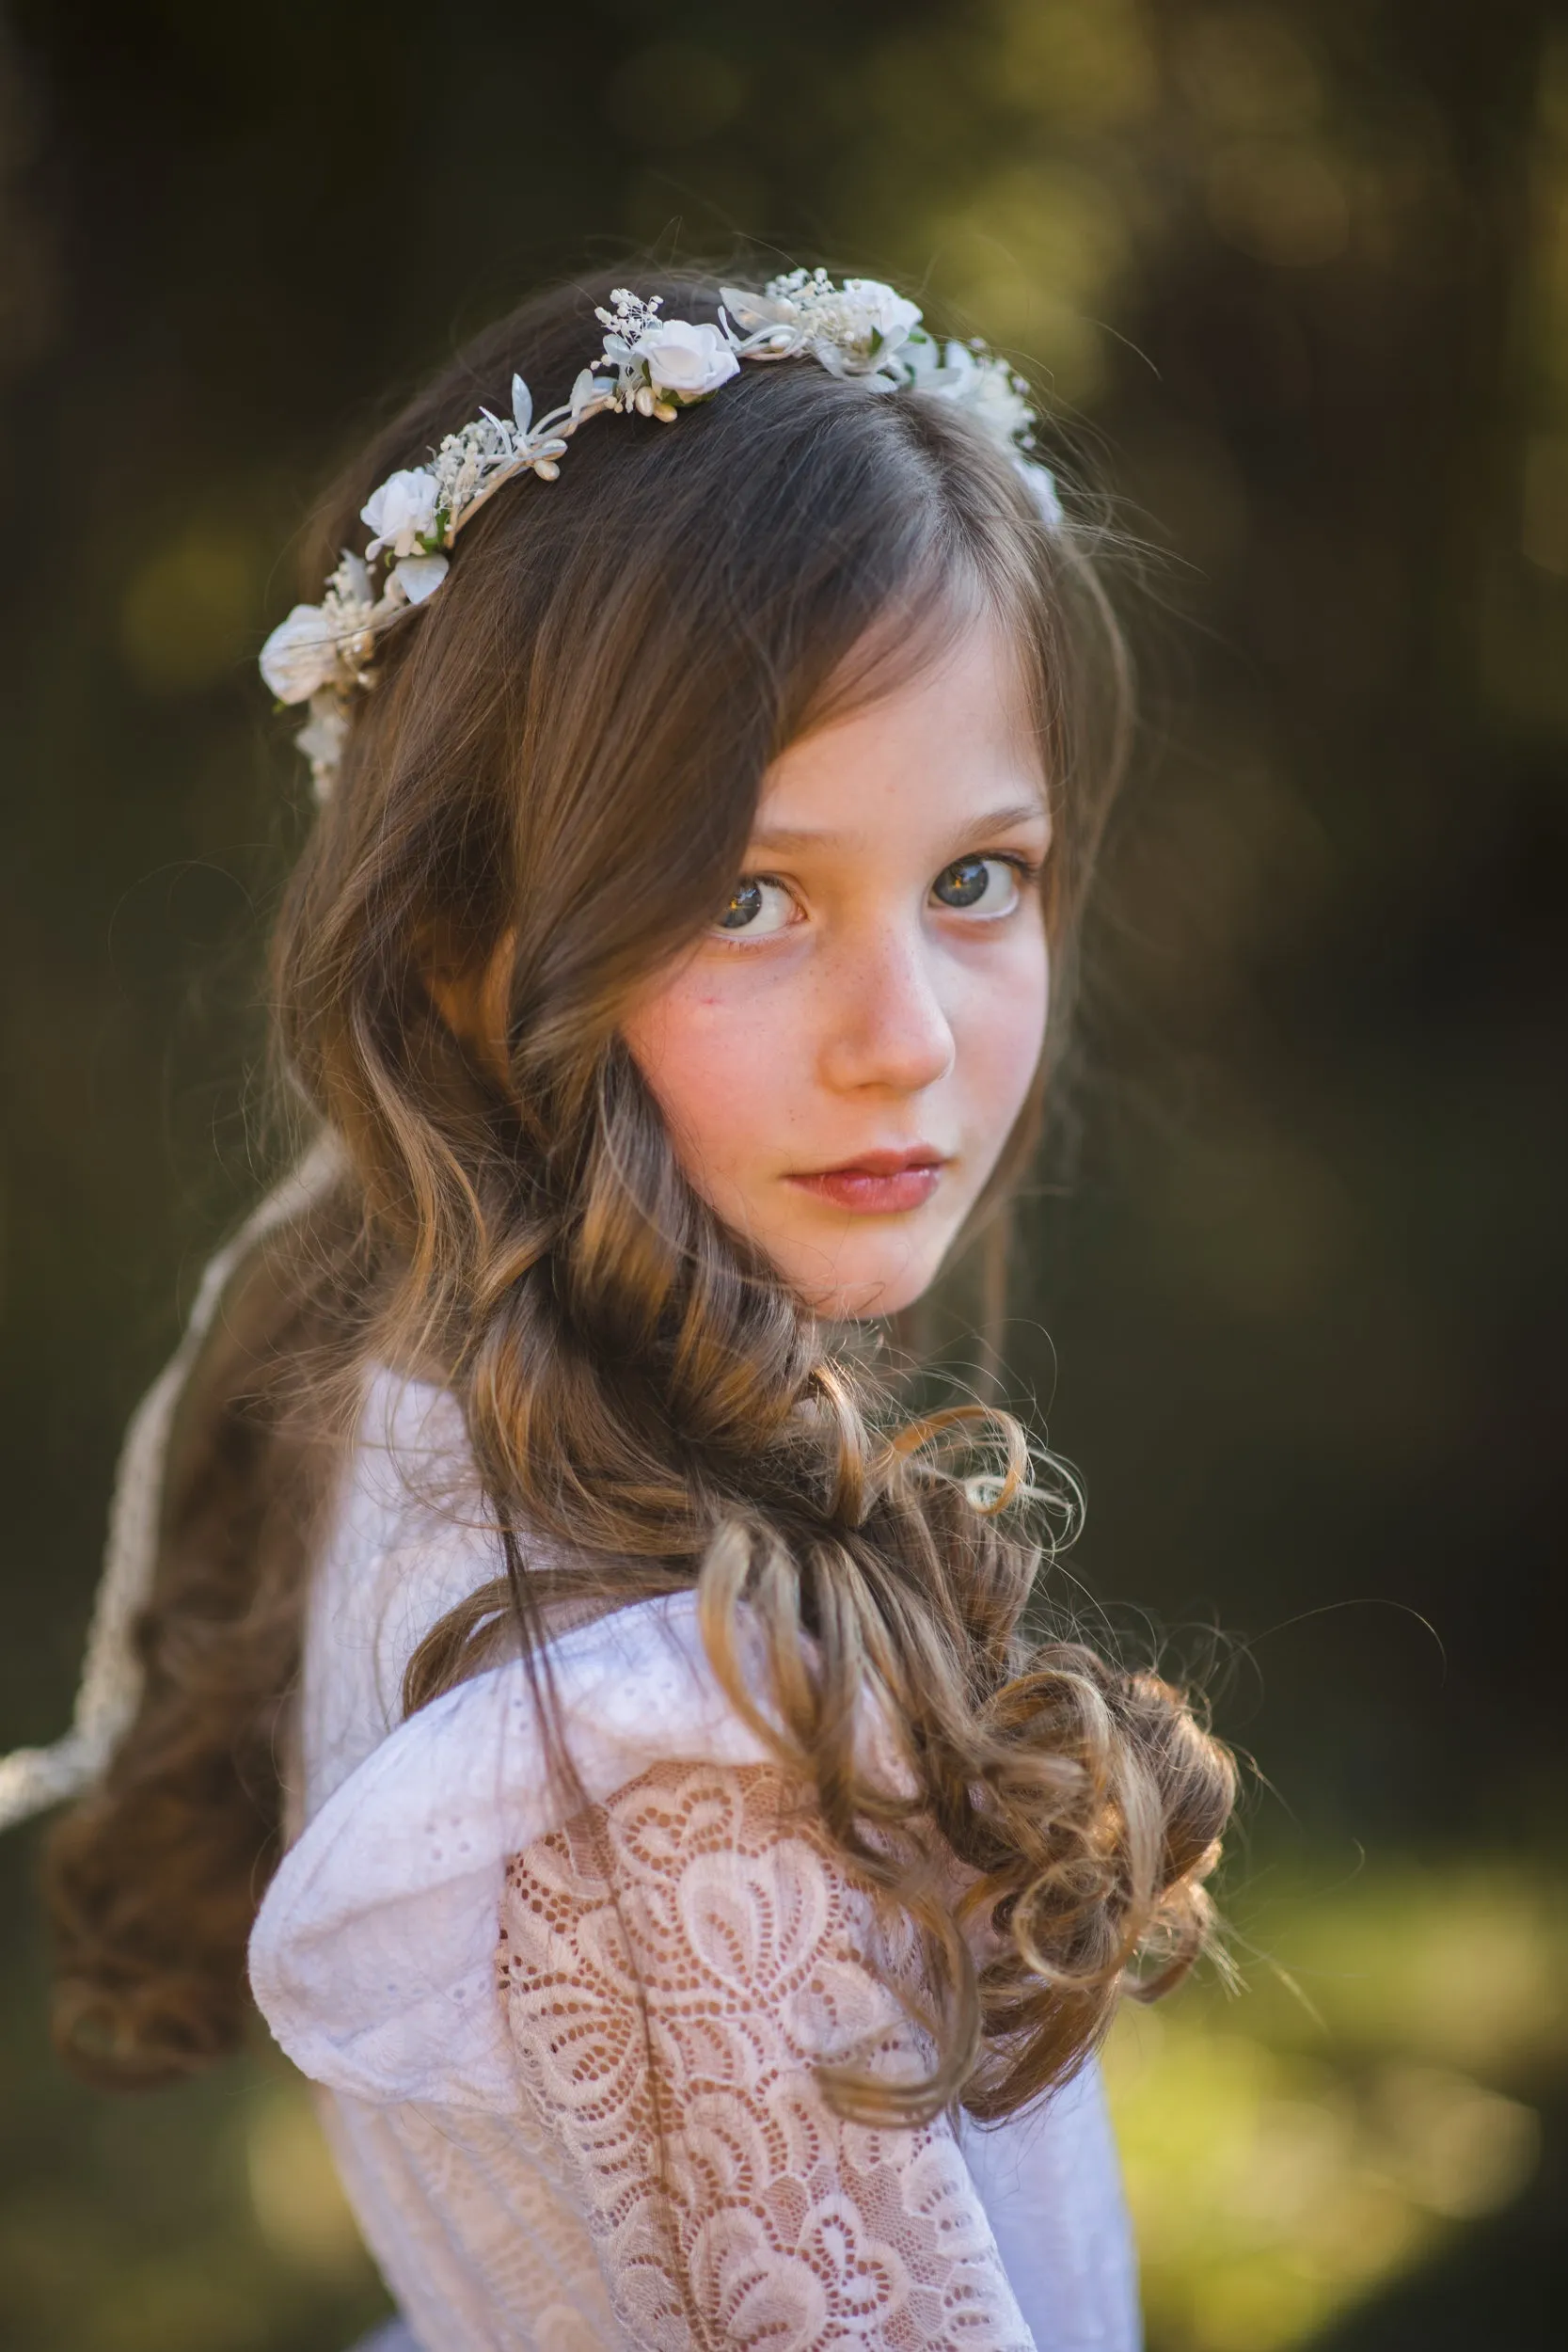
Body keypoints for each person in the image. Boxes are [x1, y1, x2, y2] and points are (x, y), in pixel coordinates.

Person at [2, 265, 1236, 2350]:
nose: (907, 1041)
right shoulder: (659, 1744)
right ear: (462, 935)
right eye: (744, 896)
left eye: (976, 878)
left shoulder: (378, 1351)